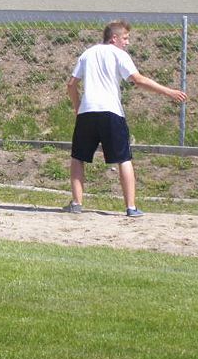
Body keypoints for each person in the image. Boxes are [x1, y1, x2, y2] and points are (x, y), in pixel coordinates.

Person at [65, 20, 187, 217]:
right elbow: (138, 80)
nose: (127, 42)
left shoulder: (88, 53)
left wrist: (78, 107)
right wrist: (169, 92)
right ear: (114, 38)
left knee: (78, 157)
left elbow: (71, 84)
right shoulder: (119, 54)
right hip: (111, 112)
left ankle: (77, 203)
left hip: (87, 112)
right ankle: (131, 207)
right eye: (125, 38)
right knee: (123, 158)